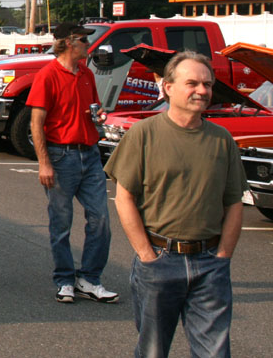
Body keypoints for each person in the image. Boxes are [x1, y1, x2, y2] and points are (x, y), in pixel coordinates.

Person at [105, 52, 246, 357]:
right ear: (167, 87)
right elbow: (124, 197)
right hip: (159, 260)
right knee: (153, 351)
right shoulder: (143, 134)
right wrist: (146, 255)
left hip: (210, 263)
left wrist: (223, 256)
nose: (202, 90)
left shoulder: (222, 140)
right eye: (192, 83)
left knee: (215, 353)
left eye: (207, 84)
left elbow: (234, 202)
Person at [27, 21, 118, 304]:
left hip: (90, 154)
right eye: (83, 40)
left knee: (100, 218)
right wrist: (44, 163)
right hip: (60, 156)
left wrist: (98, 115)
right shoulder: (47, 76)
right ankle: (65, 279)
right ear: (68, 42)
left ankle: (89, 278)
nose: (88, 45)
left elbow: (92, 108)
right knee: (61, 222)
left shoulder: (87, 74)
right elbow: (36, 123)